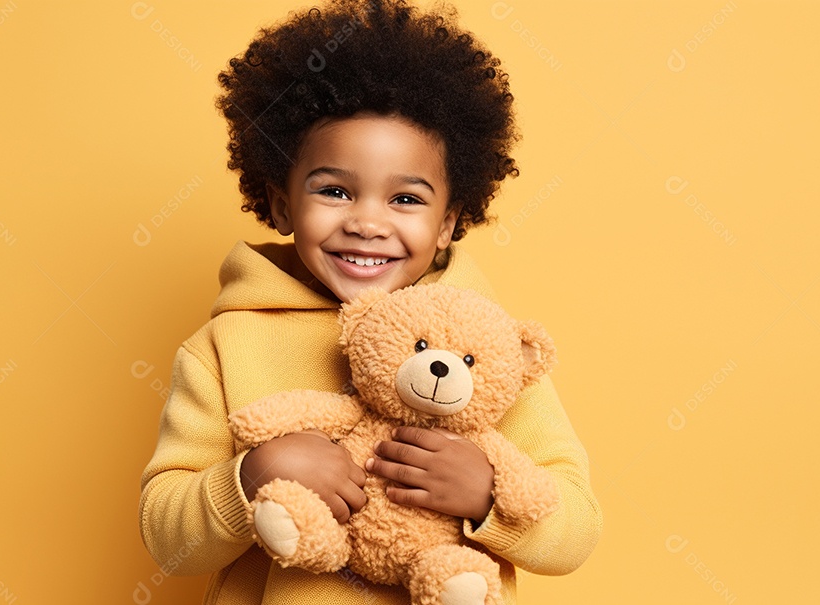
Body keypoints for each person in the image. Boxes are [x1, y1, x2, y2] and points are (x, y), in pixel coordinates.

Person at [138, 1, 602, 603]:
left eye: (405, 200)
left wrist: (488, 495)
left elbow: (578, 531)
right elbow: (166, 540)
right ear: (281, 204)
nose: (366, 223)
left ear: (448, 222)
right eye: (334, 190)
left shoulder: (488, 353)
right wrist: (248, 479)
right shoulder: (223, 348)